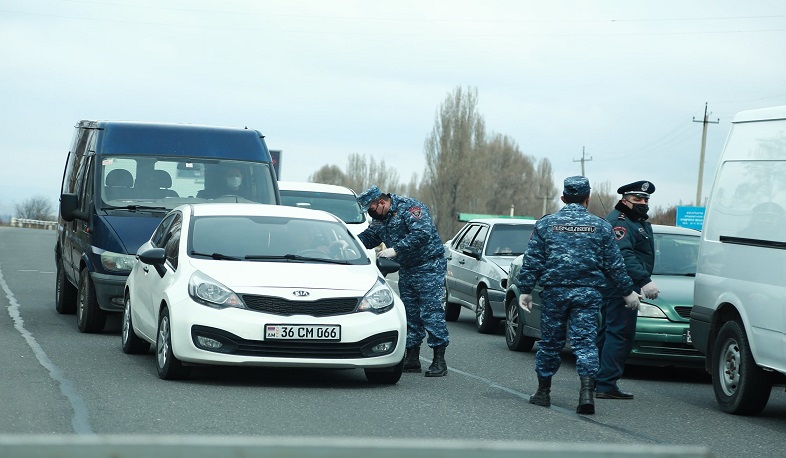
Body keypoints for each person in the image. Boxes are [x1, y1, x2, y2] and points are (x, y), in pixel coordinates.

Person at [516, 176, 640, 415]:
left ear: (563, 198)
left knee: (550, 343)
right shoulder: (602, 226)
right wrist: (627, 291)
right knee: (585, 344)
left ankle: (543, 392)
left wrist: (525, 290)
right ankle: (586, 395)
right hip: (588, 294)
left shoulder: (545, 224)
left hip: (555, 293)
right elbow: (614, 265)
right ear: (588, 199)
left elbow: (532, 261)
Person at [356, 186, 449, 377]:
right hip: (407, 268)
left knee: (431, 312)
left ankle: (439, 360)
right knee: (410, 313)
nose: (371, 213)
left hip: (429, 265)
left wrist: (396, 249)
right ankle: (412, 357)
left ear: (381, 202)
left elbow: (422, 233)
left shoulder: (410, 208)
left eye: (371, 209)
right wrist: (349, 242)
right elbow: (370, 236)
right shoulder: (380, 218)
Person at [595, 180, 658, 400]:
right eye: (637, 199)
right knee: (620, 334)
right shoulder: (620, 222)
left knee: (609, 332)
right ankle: (606, 384)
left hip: (620, 285)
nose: (642, 202)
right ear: (624, 200)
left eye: (645, 199)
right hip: (620, 286)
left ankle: (595, 378)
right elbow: (624, 255)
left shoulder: (635, 220)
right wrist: (643, 280)